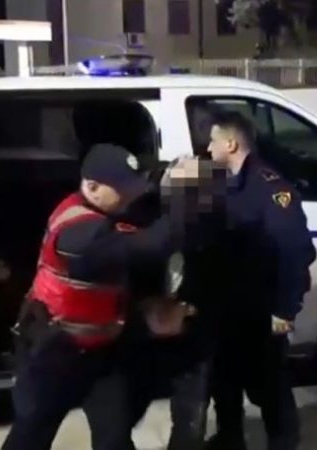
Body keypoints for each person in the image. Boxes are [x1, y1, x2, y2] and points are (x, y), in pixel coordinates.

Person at [1, 143, 188, 450]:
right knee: (31, 435)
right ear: (92, 187)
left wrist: (166, 173)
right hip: (57, 352)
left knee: (114, 436)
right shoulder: (83, 235)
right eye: (122, 187)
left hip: (100, 350)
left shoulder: (93, 208)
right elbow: (156, 245)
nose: (131, 193)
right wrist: (185, 193)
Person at [203, 111, 317, 450]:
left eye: (212, 141)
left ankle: (283, 442)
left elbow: (295, 251)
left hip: (261, 309)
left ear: (231, 144)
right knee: (224, 381)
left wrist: (285, 309)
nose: (208, 148)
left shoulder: (270, 190)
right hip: (228, 306)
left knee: (269, 385)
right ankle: (230, 439)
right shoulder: (223, 182)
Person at [117, 155, 230, 450]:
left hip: (193, 327)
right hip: (144, 326)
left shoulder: (217, 220)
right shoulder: (139, 213)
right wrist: (143, 308)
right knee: (124, 409)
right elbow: (123, 265)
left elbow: (225, 272)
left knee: (190, 412)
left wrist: (192, 307)